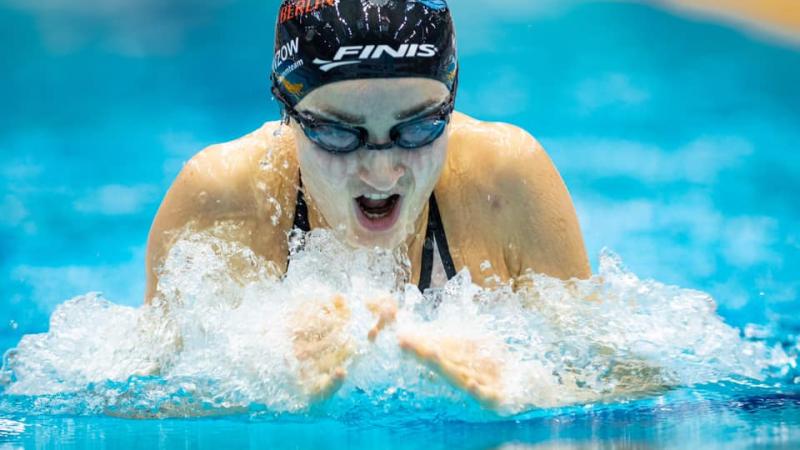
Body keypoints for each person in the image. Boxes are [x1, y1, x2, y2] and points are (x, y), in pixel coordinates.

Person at [145, 0, 590, 407]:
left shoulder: (506, 182)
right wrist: (264, 385)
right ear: (289, 114)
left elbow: (623, 381)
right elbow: (149, 406)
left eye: (418, 128)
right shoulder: (222, 198)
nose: (382, 174)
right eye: (339, 133)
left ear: (450, 105)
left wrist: (531, 390)